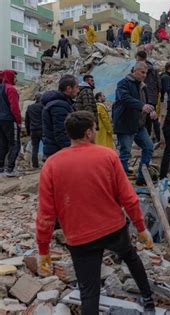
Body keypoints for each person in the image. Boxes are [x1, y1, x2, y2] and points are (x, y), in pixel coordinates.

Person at [36, 111, 155, 315]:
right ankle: (149, 300)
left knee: (89, 292)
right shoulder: (107, 155)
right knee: (131, 257)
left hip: (79, 237)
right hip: (113, 228)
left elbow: (46, 214)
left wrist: (43, 249)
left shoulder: (52, 164)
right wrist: (141, 228)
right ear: (89, 132)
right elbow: (128, 197)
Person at [112, 62, 156, 185]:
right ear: (135, 71)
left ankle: (142, 178)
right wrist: (142, 106)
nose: (144, 75)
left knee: (148, 147)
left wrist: (150, 111)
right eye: (142, 72)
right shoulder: (123, 83)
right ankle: (121, 182)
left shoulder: (142, 85)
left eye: (146, 73)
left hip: (139, 124)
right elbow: (125, 98)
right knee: (125, 153)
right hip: (126, 124)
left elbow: (145, 102)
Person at [42, 74, 78, 159]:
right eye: (76, 87)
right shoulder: (59, 105)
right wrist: (71, 150)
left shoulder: (62, 103)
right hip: (58, 152)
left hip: (56, 151)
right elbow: (61, 132)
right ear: (69, 89)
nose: (78, 90)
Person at [135, 51, 161, 144]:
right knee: (153, 118)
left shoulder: (138, 69)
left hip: (143, 97)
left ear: (138, 57)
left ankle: (146, 140)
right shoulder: (153, 68)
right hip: (153, 97)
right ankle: (157, 138)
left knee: (144, 119)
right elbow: (159, 84)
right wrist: (157, 95)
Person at [0, 70, 21, 177]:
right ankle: (10, 169)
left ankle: (1, 169)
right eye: (14, 77)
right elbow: (14, 107)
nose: (16, 79)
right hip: (9, 119)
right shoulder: (10, 89)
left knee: (3, 144)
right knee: (15, 143)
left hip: (1, 120)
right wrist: (19, 121)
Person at [25, 93, 43, 168]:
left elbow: (27, 121)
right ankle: (47, 163)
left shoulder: (30, 107)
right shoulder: (43, 107)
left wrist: (28, 131)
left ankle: (35, 165)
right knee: (48, 146)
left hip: (33, 130)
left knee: (35, 148)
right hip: (43, 130)